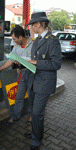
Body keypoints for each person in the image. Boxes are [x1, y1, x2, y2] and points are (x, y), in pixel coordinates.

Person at [25, 12, 62, 150]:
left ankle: (36, 140)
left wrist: (36, 62)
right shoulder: (38, 40)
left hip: (44, 84)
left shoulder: (52, 40)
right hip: (34, 81)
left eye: (31, 25)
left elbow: (56, 64)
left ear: (38, 25)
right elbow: (34, 61)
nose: (30, 28)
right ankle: (36, 132)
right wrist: (23, 62)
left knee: (37, 113)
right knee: (33, 112)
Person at [0, 26, 34, 124]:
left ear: (20, 37)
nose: (13, 41)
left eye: (14, 39)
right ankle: (15, 116)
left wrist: (23, 61)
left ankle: (32, 116)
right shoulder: (16, 47)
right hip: (22, 73)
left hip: (33, 74)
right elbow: (10, 61)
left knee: (32, 96)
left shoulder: (33, 44)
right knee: (19, 96)